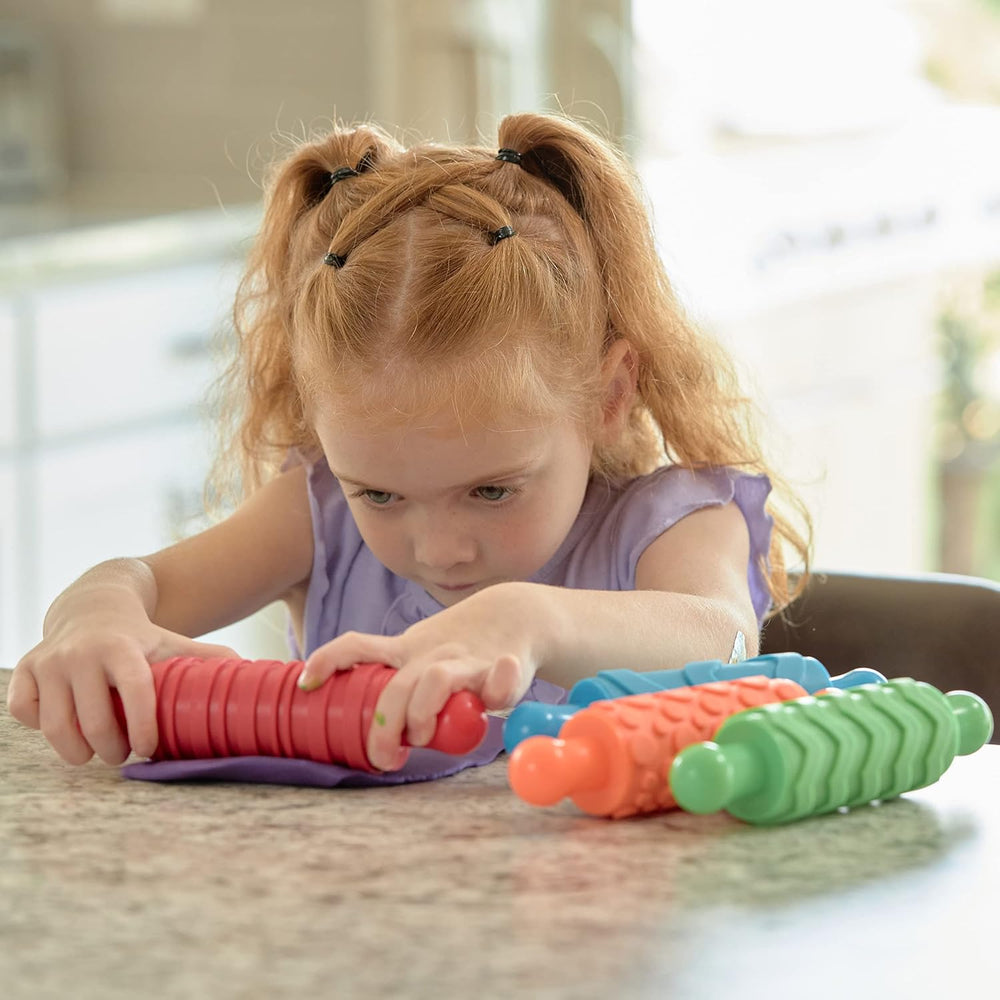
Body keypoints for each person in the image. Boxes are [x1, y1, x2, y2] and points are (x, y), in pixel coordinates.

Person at [7, 112, 811, 774]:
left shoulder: (677, 523)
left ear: (609, 396)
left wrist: (526, 620)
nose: (441, 550)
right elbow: (137, 581)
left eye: (492, 490)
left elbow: (721, 635)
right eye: (381, 496)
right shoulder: (317, 511)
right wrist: (93, 613)